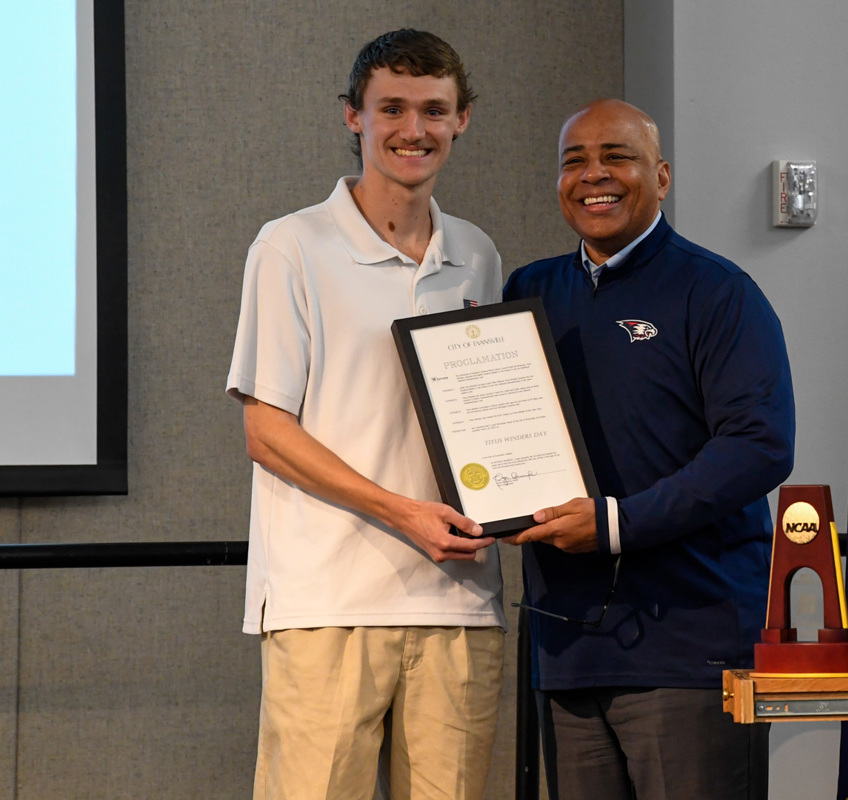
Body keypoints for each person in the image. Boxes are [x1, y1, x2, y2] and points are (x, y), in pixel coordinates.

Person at [225, 29, 505, 800]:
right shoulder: (290, 246)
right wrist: (402, 512)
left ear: (462, 119)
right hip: (327, 602)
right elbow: (267, 432)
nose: (413, 130)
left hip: (462, 603)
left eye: (433, 110)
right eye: (392, 109)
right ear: (354, 117)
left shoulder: (478, 254)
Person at [503, 99, 795, 800]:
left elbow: (760, 444)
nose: (593, 175)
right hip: (568, 646)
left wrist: (615, 523)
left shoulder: (718, 291)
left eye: (618, 157)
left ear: (661, 177)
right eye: (575, 161)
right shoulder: (528, 290)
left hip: (689, 649)